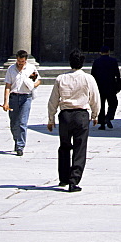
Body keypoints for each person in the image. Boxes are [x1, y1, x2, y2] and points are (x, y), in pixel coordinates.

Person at [47, 49, 100, 192]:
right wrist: (95, 115)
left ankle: (63, 178)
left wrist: (51, 118)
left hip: (65, 115)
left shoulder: (61, 78)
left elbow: (53, 100)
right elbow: (95, 98)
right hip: (81, 115)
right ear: (82, 63)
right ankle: (74, 180)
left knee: (64, 146)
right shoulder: (88, 78)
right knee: (79, 148)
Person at [1, 49, 40, 155]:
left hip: (26, 97)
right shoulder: (11, 69)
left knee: (23, 122)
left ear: (26, 60)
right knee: (14, 123)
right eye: (18, 61)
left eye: (22, 61)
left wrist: (32, 85)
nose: (20, 63)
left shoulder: (31, 68)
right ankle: (17, 139)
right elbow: (8, 86)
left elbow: (38, 81)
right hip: (14, 97)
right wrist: (6, 102)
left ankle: (20, 146)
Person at [91, 45, 121, 130]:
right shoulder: (113, 61)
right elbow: (117, 75)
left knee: (101, 105)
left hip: (99, 87)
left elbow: (92, 76)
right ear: (108, 52)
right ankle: (108, 117)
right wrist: (118, 86)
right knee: (113, 103)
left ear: (100, 53)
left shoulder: (96, 62)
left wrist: (92, 88)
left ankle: (102, 124)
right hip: (111, 86)